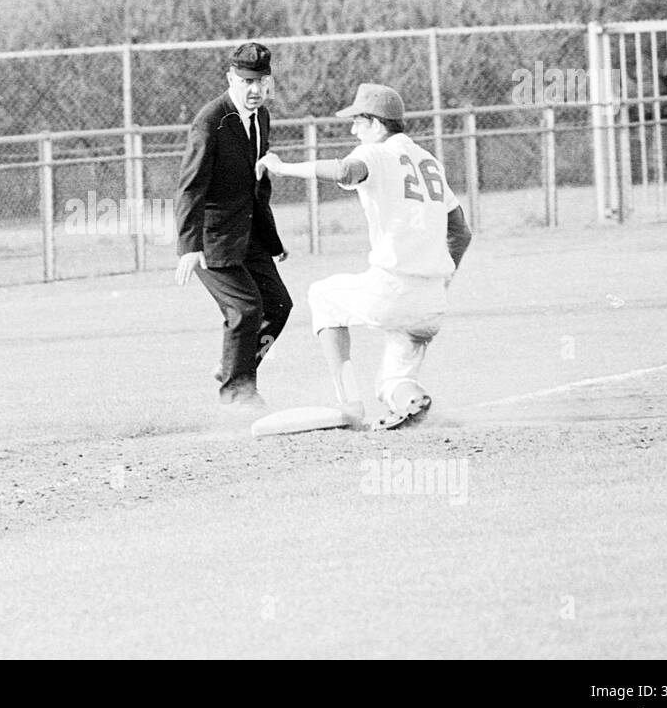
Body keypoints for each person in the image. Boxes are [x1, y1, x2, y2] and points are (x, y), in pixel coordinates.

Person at [256, 83, 472, 429]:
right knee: (390, 385)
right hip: (432, 300)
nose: (353, 129)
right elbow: (461, 232)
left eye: (358, 121)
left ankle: (349, 405)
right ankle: (411, 399)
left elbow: (344, 171)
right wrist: (444, 280)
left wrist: (282, 168)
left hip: (392, 287)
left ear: (376, 122)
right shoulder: (430, 161)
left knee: (322, 296)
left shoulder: (376, 154)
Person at [175, 41, 292, 408]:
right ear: (231, 79)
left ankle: (233, 368)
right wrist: (189, 248)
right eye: (246, 81)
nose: (255, 89)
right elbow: (190, 187)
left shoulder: (262, 118)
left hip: (250, 235)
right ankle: (237, 393)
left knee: (278, 306)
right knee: (245, 309)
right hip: (213, 239)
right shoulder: (211, 122)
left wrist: (273, 242)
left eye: (261, 81)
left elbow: (258, 185)